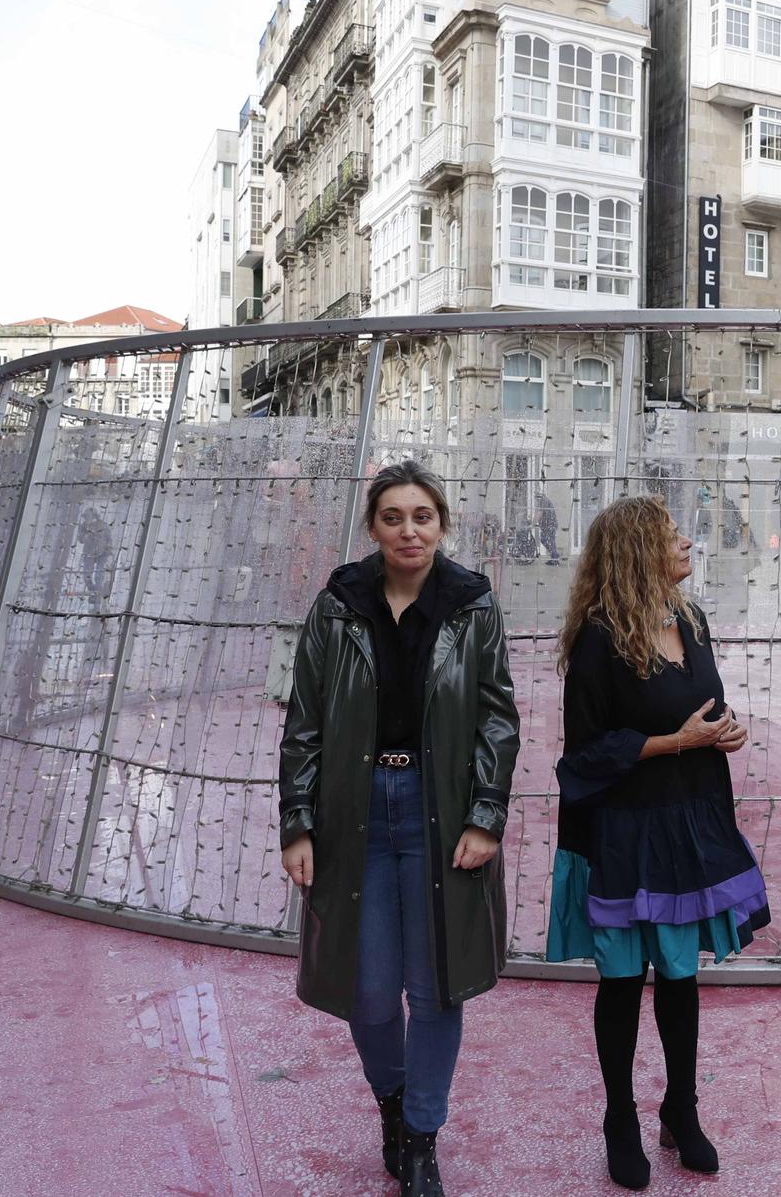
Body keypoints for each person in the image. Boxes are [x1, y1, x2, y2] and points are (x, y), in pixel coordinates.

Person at [278, 461, 521, 1197]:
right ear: (373, 526)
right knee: (370, 989)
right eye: (393, 516)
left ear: (442, 523)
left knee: (437, 984)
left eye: (422, 515)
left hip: (438, 808)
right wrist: (298, 822)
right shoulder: (339, 604)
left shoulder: (472, 603)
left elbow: (497, 718)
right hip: (354, 810)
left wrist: (485, 814)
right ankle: (391, 1100)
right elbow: (305, 721)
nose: (409, 529)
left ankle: (421, 1136)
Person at [547, 494, 767, 1190]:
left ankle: (681, 1107)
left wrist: (725, 728)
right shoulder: (598, 639)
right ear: (640, 550)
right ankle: (621, 1118)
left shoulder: (691, 620)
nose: (687, 543)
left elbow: (706, 704)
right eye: (673, 536)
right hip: (622, 831)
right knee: (620, 981)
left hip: (689, 820)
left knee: (679, 974)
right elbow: (582, 752)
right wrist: (677, 741)